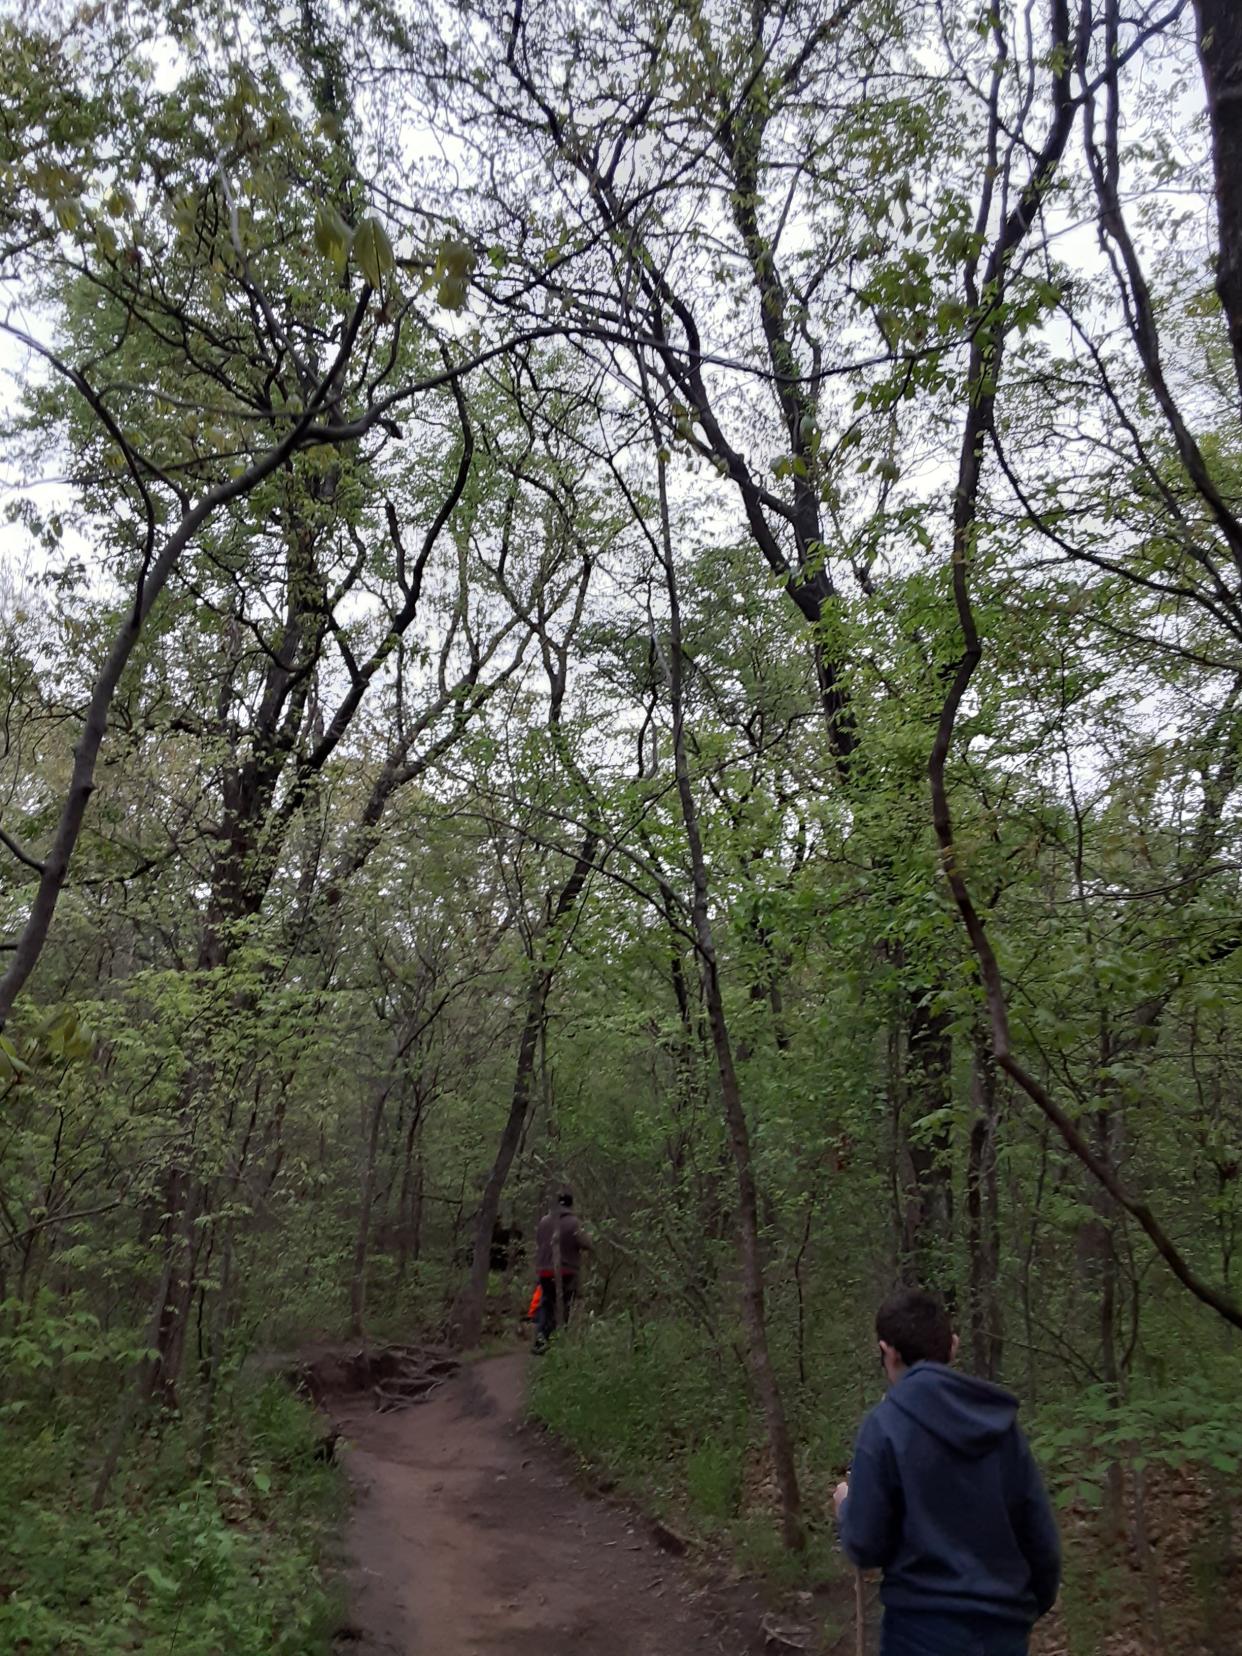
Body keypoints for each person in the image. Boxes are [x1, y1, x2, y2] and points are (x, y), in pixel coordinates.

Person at [834, 1287, 1061, 1656]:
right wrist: (1018, 1613)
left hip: (918, 1634)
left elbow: (865, 1543)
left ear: (887, 1353)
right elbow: (1041, 1544)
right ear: (953, 1347)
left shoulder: (884, 1427)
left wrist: (845, 1509)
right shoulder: (1001, 1425)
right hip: (1002, 1635)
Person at [532, 1189, 590, 1353]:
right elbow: (585, 1243)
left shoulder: (544, 1221)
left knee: (546, 1305)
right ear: (571, 1205)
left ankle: (540, 1341)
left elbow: (539, 1242)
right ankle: (560, 1342)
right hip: (566, 1270)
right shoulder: (574, 1222)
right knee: (565, 1305)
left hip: (544, 1270)